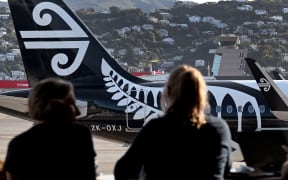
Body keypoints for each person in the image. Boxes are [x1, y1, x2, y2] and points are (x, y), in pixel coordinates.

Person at [114, 64, 232, 180]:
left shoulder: (156, 129)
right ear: (202, 93)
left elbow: (123, 170)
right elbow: (225, 168)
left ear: (168, 92)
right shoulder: (219, 128)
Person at [3, 78, 97, 180]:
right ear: (56, 106)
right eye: (71, 104)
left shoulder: (17, 144)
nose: (78, 112)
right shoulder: (80, 135)